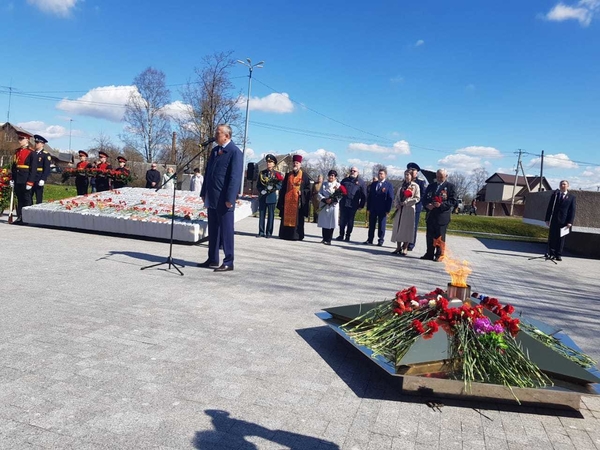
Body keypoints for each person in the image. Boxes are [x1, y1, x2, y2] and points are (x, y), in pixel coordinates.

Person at [198, 124, 243, 272]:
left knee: (226, 230)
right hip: (212, 197)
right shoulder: (215, 151)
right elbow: (209, 173)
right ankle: (212, 259)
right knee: (213, 229)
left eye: (218, 133)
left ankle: (229, 261)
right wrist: (204, 193)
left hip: (224, 199)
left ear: (227, 136)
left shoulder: (234, 152)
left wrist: (230, 198)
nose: (215, 135)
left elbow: (235, 177)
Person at [421, 169, 457, 261]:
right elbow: (424, 198)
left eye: (441, 177)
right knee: (430, 236)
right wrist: (427, 205)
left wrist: (441, 205)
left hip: (442, 216)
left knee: (439, 236)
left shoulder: (450, 187)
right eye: (437, 177)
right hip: (431, 215)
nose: (439, 179)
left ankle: (439, 254)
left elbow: (453, 201)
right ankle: (429, 253)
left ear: (446, 176)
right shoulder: (431, 186)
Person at [277, 155, 311, 240]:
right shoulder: (288, 175)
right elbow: (283, 188)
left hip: (298, 202)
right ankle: (285, 235)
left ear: (300, 164)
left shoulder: (304, 176)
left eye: (297, 163)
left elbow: (308, 189)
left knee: (298, 219)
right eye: (294, 163)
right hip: (288, 202)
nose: (295, 164)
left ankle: (296, 236)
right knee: (286, 217)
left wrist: (302, 192)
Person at [390, 170, 421, 255]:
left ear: (412, 176)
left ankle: (405, 247)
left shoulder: (415, 186)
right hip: (400, 209)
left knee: (406, 229)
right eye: (405, 175)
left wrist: (406, 202)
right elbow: (396, 197)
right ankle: (398, 247)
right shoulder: (401, 186)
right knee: (398, 228)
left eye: (408, 175)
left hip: (408, 209)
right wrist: (397, 204)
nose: (406, 176)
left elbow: (417, 198)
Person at [545, 180, 576, 262]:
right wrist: (547, 219)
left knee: (561, 238)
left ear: (567, 186)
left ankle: (558, 254)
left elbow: (572, 211)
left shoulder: (572, 197)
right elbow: (550, 208)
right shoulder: (555, 196)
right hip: (554, 220)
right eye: (561, 184)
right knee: (552, 237)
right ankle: (551, 253)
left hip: (564, 221)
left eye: (564, 184)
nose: (562, 185)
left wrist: (570, 222)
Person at [10, 131, 36, 224]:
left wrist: (30, 181)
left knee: (26, 198)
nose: (19, 141)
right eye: (19, 139)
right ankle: (19, 217)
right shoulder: (17, 151)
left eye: (21, 139)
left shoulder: (31, 152)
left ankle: (27, 218)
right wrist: (12, 178)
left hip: (26, 178)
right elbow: (14, 167)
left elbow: (33, 169)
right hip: (18, 178)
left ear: (27, 140)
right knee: (19, 198)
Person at [363, 169, 394, 246]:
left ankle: (380, 240)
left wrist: (388, 209)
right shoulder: (374, 184)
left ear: (385, 175)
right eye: (379, 174)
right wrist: (368, 208)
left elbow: (390, 198)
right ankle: (370, 239)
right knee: (371, 224)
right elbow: (370, 196)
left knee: (381, 225)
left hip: (383, 209)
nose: (380, 175)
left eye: (381, 174)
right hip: (373, 208)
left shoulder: (388, 185)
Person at [336, 166, 366, 242]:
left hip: (353, 204)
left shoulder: (361, 182)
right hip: (343, 203)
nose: (352, 172)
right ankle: (341, 234)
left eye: (354, 171)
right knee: (342, 220)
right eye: (351, 170)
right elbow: (339, 191)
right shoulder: (344, 180)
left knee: (350, 221)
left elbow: (364, 195)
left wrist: (361, 205)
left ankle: (348, 235)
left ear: (357, 173)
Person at [256, 154, 283, 238]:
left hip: (271, 197)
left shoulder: (277, 174)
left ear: (274, 164)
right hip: (263, 197)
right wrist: (261, 191)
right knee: (261, 215)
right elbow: (258, 185)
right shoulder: (262, 173)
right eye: (267, 162)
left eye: (270, 162)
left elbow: (279, 185)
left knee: (271, 216)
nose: (268, 164)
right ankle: (261, 232)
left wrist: (273, 188)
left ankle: (269, 232)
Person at [406, 162, 427, 251]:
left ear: (416, 172)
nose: (411, 172)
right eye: (410, 170)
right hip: (406, 207)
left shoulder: (421, 182)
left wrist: (414, 201)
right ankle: (404, 243)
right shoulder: (406, 182)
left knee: (413, 226)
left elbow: (423, 195)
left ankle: (411, 244)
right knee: (405, 225)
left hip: (415, 207)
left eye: (413, 171)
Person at [317, 170, 341, 245]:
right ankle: (324, 238)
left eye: (333, 175)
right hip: (324, 204)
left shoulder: (338, 185)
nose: (331, 177)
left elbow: (340, 196)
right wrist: (324, 199)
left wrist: (332, 200)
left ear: (335, 177)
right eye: (330, 175)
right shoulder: (324, 184)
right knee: (324, 221)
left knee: (331, 222)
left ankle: (329, 239)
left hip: (333, 205)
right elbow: (319, 194)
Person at [31, 134, 51, 204]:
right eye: (35, 142)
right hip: (31, 178)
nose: (36, 144)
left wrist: (43, 179)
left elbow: (47, 169)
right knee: (29, 196)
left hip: (39, 177)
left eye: (37, 142)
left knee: (38, 197)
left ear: (42, 144)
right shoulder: (32, 153)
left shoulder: (45, 154)